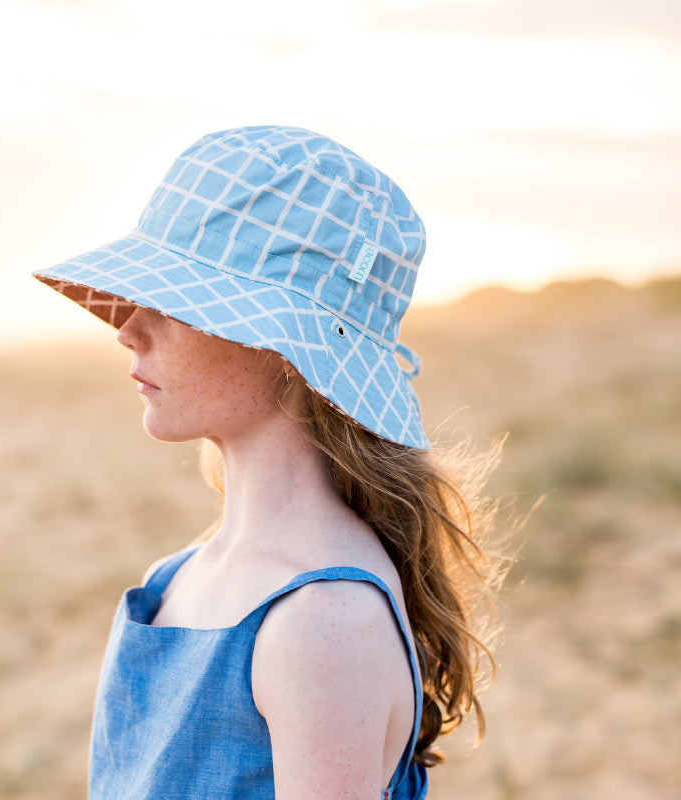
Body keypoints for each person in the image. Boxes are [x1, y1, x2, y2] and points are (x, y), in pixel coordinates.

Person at [34, 125, 503, 800]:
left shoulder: (324, 621)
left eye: (171, 301)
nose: (128, 328)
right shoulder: (175, 578)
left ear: (285, 343)